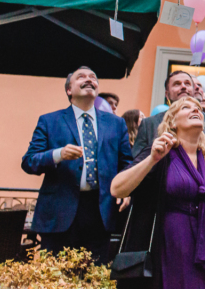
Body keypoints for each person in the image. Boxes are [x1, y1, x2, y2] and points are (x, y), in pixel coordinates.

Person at [112, 97, 205, 289]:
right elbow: (117, 188)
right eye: (186, 107)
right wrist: (151, 160)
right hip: (168, 246)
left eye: (198, 109)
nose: (195, 110)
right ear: (172, 122)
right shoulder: (160, 151)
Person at [22, 66, 133, 263]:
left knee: (95, 278)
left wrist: (127, 190)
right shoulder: (50, 121)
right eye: (81, 77)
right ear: (69, 90)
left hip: (100, 213)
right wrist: (58, 154)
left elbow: (127, 163)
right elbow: (29, 162)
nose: (89, 79)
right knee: (55, 278)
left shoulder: (116, 124)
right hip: (59, 214)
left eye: (93, 77)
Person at [131, 71, 205, 159]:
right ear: (167, 94)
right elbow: (136, 160)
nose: (183, 87)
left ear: (193, 91)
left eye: (187, 84)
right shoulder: (149, 124)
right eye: (177, 84)